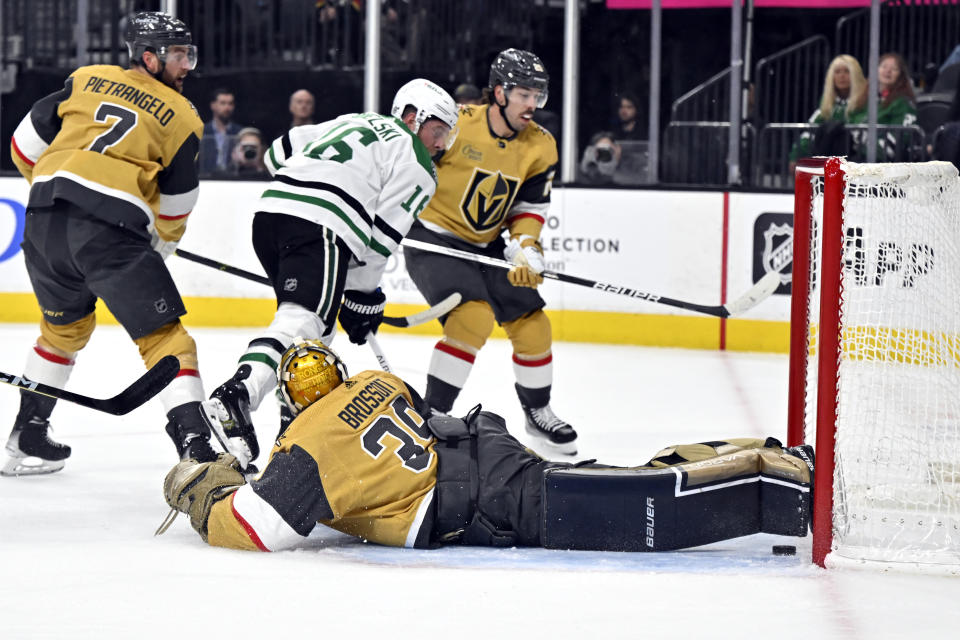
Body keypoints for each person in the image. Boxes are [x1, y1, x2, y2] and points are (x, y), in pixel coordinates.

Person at [158, 338, 815, 553]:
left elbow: (258, 527)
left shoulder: (302, 444)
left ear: (292, 401)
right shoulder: (377, 379)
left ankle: (772, 484)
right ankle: (755, 447)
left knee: (643, 506)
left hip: (481, 498)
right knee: (616, 474)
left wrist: (205, 491)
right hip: (484, 451)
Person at [199, 78, 458, 471]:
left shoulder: (356, 119)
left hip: (271, 216)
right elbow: (378, 242)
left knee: (316, 336)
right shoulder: (418, 164)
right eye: (438, 131)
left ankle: (293, 436)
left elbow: (278, 153)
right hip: (320, 225)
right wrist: (363, 296)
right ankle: (236, 398)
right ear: (411, 117)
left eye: (447, 137)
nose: (440, 145)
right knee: (303, 322)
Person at [4, 11, 219, 476]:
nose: (187, 65)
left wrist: (54, 191)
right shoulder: (183, 116)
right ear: (149, 57)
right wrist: (160, 244)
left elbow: (22, 146)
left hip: (42, 220)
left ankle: (27, 435)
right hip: (110, 233)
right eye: (179, 54)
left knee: (62, 332)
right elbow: (179, 201)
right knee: (165, 338)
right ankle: (197, 450)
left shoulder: (85, 79)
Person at [402, 49, 576, 455]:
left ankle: (538, 412)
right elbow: (407, 164)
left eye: (539, 96)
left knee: (532, 322)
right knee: (471, 319)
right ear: (499, 91)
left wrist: (525, 246)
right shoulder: (458, 123)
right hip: (433, 239)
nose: (533, 105)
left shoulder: (541, 146)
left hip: (489, 244)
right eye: (524, 95)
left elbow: (528, 208)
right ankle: (431, 417)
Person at [788, 54, 867, 168]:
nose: (842, 76)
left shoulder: (866, 104)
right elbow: (808, 133)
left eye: (846, 71)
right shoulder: (826, 106)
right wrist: (795, 156)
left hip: (855, 163)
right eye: (837, 72)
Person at [848, 52, 918, 161]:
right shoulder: (864, 98)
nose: (888, 71)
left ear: (901, 75)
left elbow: (899, 138)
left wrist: (865, 151)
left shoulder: (903, 103)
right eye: (884, 66)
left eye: (894, 69)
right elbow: (850, 121)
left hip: (879, 163)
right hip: (854, 157)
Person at [198, 87, 243, 175]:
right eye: (222, 103)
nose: (227, 107)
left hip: (234, 179)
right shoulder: (202, 131)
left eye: (230, 103)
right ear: (213, 105)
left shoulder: (240, 133)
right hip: (205, 180)